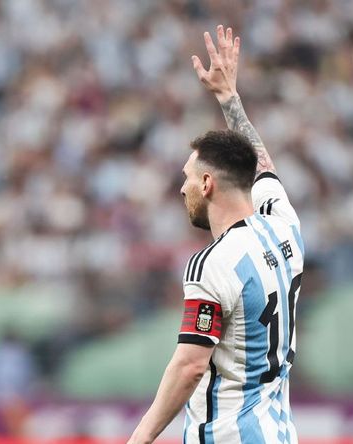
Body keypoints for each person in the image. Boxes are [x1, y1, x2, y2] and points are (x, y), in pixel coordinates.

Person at [129, 25, 304, 444]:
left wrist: (138, 439)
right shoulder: (285, 226)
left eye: (187, 178)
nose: (182, 188)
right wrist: (229, 99)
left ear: (207, 184)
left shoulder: (213, 264)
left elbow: (190, 366)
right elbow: (262, 166)